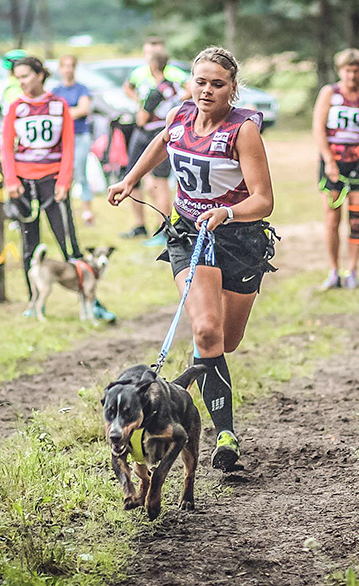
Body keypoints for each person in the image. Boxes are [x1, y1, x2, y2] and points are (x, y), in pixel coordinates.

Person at [108, 46, 276, 471]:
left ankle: (209, 387)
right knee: (205, 332)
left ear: (232, 89)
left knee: (226, 341)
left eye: (217, 84)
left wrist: (228, 212)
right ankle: (225, 436)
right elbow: (163, 143)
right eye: (200, 82)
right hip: (188, 233)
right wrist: (130, 179)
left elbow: (264, 200)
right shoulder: (180, 115)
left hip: (240, 239)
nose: (207, 91)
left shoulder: (243, 131)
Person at [1, 57, 80, 296]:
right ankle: (32, 298)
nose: (21, 82)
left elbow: (68, 146)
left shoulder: (59, 105)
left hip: (53, 181)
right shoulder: (16, 107)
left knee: (67, 240)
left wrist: (64, 181)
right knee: (29, 244)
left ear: (39, 75)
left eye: (25, 76)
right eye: (18, 78)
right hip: (24, 184)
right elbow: (6, 147)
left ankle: (87, 294)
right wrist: (12, 180)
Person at [312, 48, 359, 290]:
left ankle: (352, 270)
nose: (352, 75)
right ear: (340, 70)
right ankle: (334, 271)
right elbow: (318, 128)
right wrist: (329, 161)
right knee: (332, 218)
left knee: (356, 219)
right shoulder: (329, 93)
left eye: (356, 70)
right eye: (347, 70)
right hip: (334, 162)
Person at [120, 36, 190, 240]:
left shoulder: (159, 89)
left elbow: (142, 119)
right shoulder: (168, 85)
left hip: (155, 131)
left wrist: (147, 108)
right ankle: (146, 226)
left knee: (156, 182)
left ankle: (165, 228)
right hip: (160, 128)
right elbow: (129, 87)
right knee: (146, 180)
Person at [52, 55, 95, 226]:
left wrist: (65, 113)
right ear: (60, 68)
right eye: (65, 66)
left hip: (80, 135)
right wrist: (72, 111)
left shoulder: (82, 89)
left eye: (71, 66)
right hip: (63, 138)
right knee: (64, 174)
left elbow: (84, 109)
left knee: (80, 172)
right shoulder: (56, 91)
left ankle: (87, 211)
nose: (68, 69)